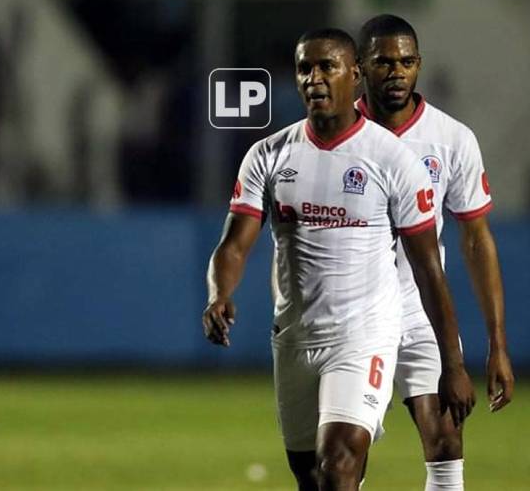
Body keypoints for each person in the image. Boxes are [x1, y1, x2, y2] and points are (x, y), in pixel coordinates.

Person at [203, 29, 474, 491]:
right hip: (293, 337)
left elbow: (429, 268)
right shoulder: (268, 155)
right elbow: (233, 245)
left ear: (354, 74)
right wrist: (219, 293)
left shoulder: (392, 160)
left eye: (327, 66)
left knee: (339, 463)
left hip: (364, 335)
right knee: (311, 478)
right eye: (305, 68)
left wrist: (452, 363)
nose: (314, 78)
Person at [356, 14, 515, 490]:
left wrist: (497, 345)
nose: (396, 72)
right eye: (384, 62)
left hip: (421, 310)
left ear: (419, 65)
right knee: (346, 452)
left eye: (406, 61)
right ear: (361, 66)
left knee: (446, 438)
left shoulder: (452, 139)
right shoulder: (336, 136)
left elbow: (476, 239)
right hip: (355, 312)